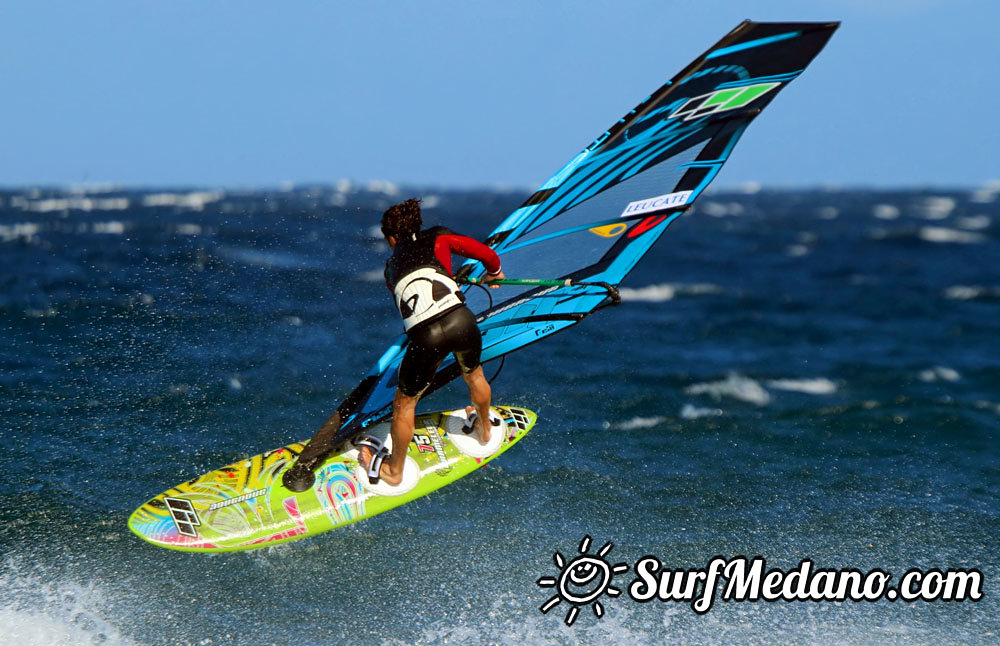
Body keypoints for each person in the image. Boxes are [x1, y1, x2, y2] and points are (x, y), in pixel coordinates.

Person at [358, 198, 505, 486]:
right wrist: (495, 273)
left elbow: (413, 297)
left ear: (390, 238)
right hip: (461, 319)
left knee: (404, 405)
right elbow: (487, 254)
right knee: (474, 375)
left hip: (427, 334)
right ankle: (485, 429)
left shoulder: (390, 268)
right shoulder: (439, 236)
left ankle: (393, 471)